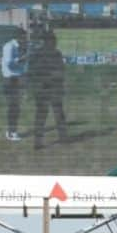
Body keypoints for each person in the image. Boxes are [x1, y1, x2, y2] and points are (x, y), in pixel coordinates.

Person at [27, 15, 69, 150]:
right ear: (47, 41)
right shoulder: (38, 54)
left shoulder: (57, 54)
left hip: (53, 89)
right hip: (43, 89)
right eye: (52, 40)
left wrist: (60, 82)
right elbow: (33, 72)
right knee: (42, 115)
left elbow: (62, 71)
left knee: (58, 114)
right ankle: (38, 142)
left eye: (54, 40)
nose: (54, 43)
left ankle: (62, 138)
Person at [0, 27, 26, 143]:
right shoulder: (9, 46)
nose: (25, 39)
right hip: (10, 80)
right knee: (13, 107)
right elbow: (9, 63)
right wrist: (22, 58)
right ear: (18, 36)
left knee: (16, 107)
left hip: (17, 79)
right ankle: (11, 132)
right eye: (24, 36)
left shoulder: (18, 46)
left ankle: (12, 131)